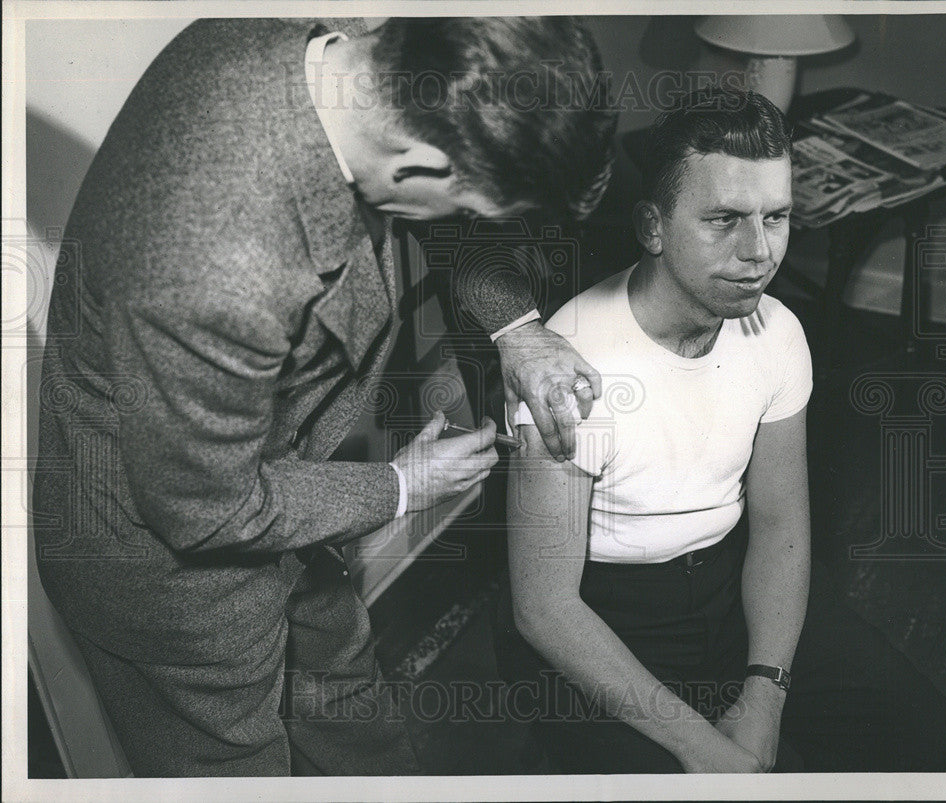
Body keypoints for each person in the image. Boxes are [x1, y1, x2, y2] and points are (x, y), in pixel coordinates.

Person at [33, 17, 616, 776]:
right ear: (416, 170)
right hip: (172, 573)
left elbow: (446, 195)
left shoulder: (358, 74)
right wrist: (405, 482)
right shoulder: (210, 262)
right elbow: (204, 507)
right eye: (473, 211)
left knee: (346, 702)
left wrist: (518, 330)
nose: (468, 229)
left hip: (290, 499)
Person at [500, 87, 946, 773]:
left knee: (939, 746)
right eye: (724, 219)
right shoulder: (568, 365)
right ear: (653, 226)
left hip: (729, 583)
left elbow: (781, 525)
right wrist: (708, 750)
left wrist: (764, 695)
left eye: (775, 217)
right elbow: (544, 609)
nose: (759, 251)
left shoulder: (778, 332)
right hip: (602, 620)